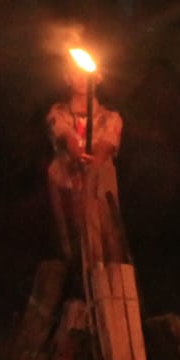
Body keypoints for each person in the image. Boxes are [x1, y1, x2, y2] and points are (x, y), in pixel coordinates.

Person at [47, 58, 124, 266]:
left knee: (104, 240)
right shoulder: (58, 112)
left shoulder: (111, 117)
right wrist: (77, 152)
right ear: (67, 77)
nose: (82, 79)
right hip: (67, 186)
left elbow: (107, 144)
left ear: (97, 77)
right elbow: (65, 135)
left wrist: (95, 161)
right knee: (71, 244)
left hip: (99, 189)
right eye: (75, 72)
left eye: (86, 73)